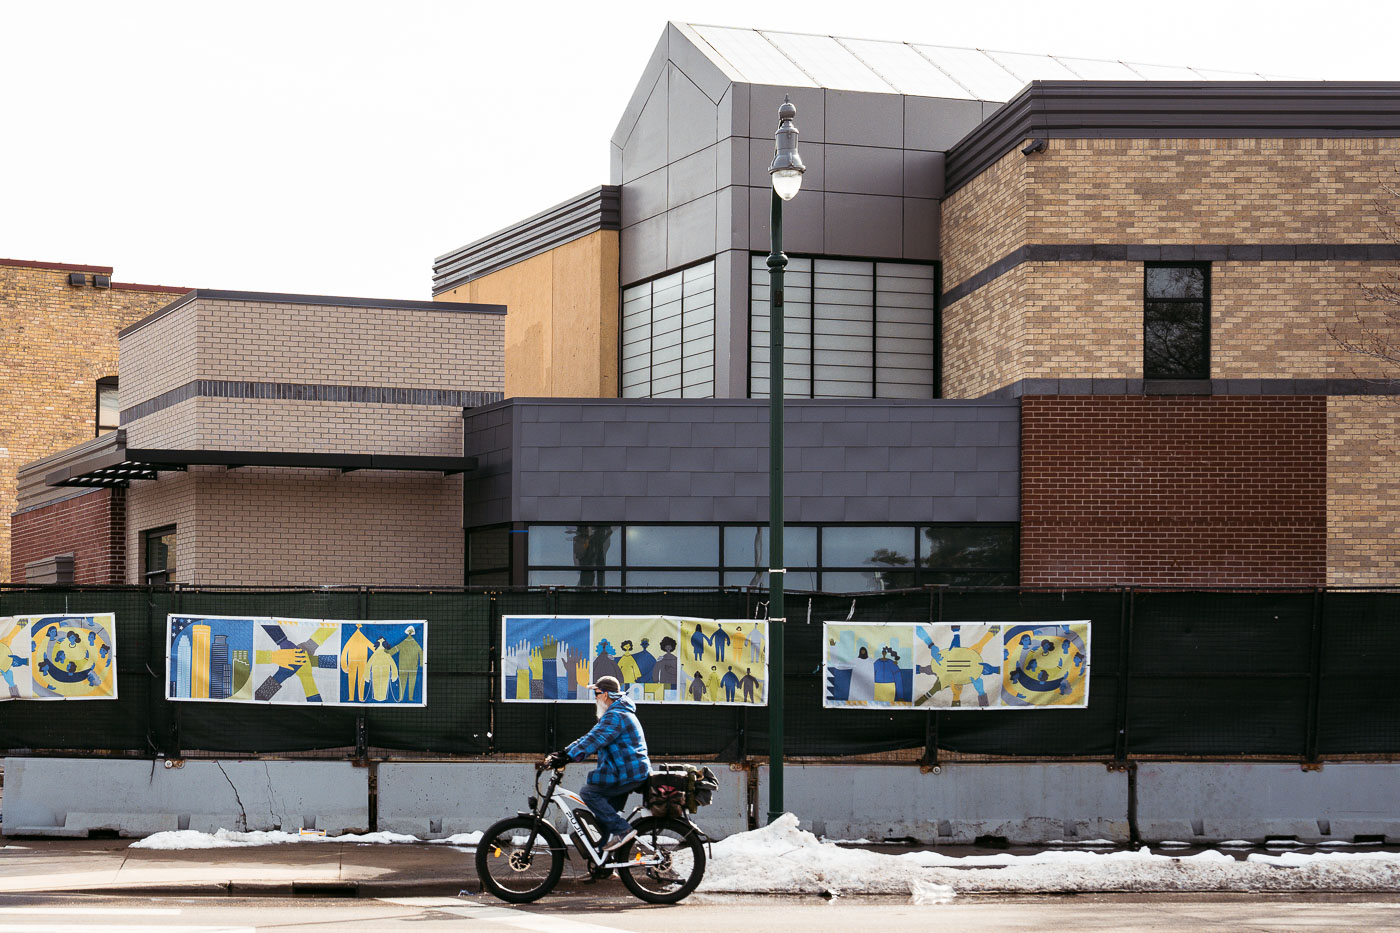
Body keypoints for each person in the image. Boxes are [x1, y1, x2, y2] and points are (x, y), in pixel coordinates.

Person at [543, 675, 650, 854]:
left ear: (606, 695)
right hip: (624, 771)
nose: (595, 698)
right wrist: (564, 753)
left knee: (589, 792)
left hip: (628, 774)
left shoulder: (616, 715)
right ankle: (601, 867)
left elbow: (595, 739)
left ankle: (623, 830)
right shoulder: (617, 712)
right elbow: (589, 736)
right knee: (603, 821)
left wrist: (568, 756)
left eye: (597, 694)